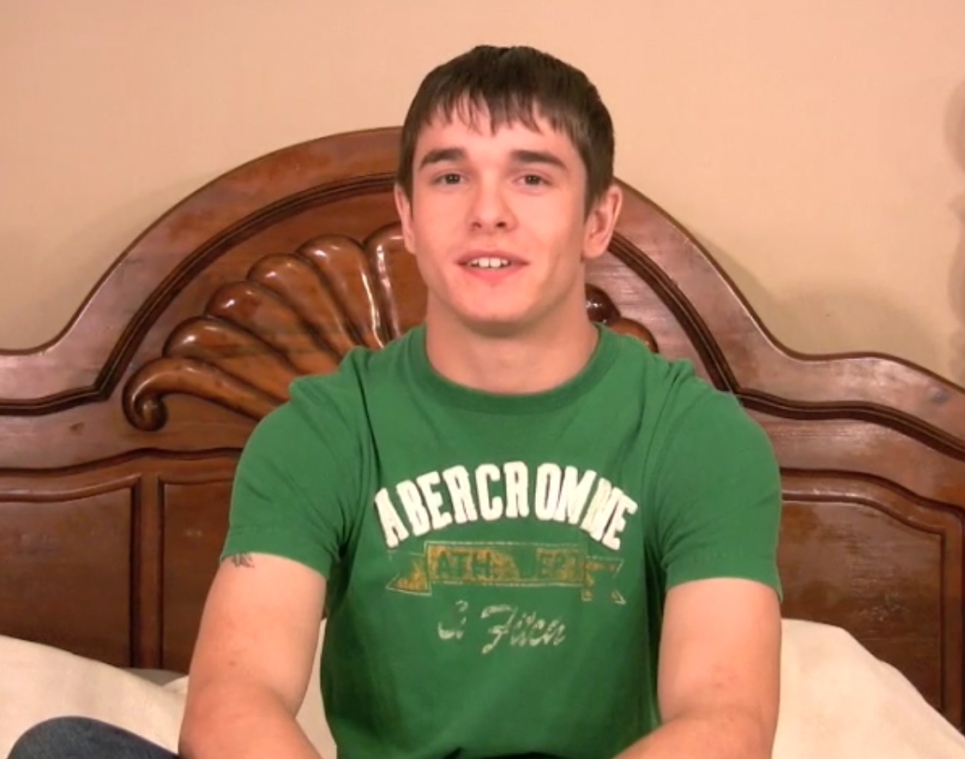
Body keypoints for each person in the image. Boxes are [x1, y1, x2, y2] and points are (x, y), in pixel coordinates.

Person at [8, 44, 783, 759]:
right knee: (62, 748)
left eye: (532, 177)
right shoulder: (324, 429)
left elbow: (723, 722)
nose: (488, 211)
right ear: (408, 216)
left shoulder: (697, 437)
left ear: (598, 221)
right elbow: (232, 699)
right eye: (450, 176)